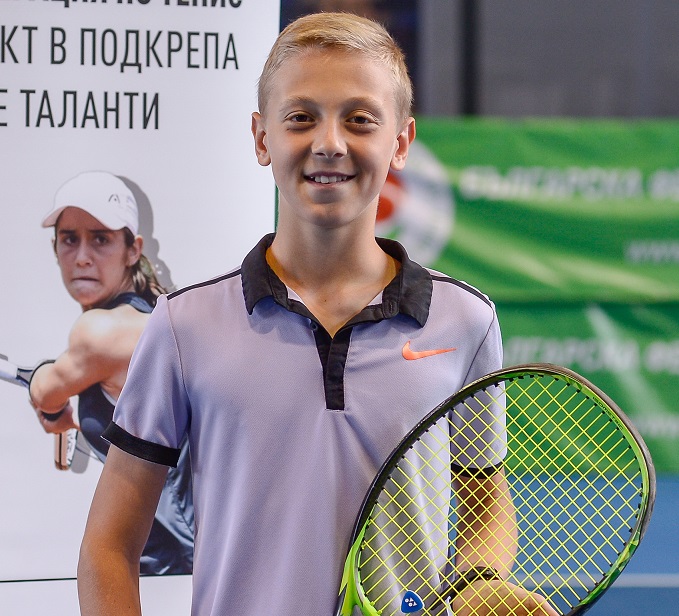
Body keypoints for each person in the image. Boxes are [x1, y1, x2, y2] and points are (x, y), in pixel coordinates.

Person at [77, 13, 557, 616]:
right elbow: (108, 546)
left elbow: (482, 495)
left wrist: (480, 580)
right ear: (262, 138)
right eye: (301, 117)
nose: (330, 142)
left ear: (401, 141)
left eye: (360, 119)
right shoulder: (182, 326)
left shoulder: (465, 321)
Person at [29, 171, 193, 576]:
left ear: (133, 249)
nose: (82, 256)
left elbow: (45, 392)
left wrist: (51, 397)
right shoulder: (153, 315)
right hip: (177, 562)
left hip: (173, 566)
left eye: (100, 239)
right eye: (69, 239)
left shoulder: (100, 331)